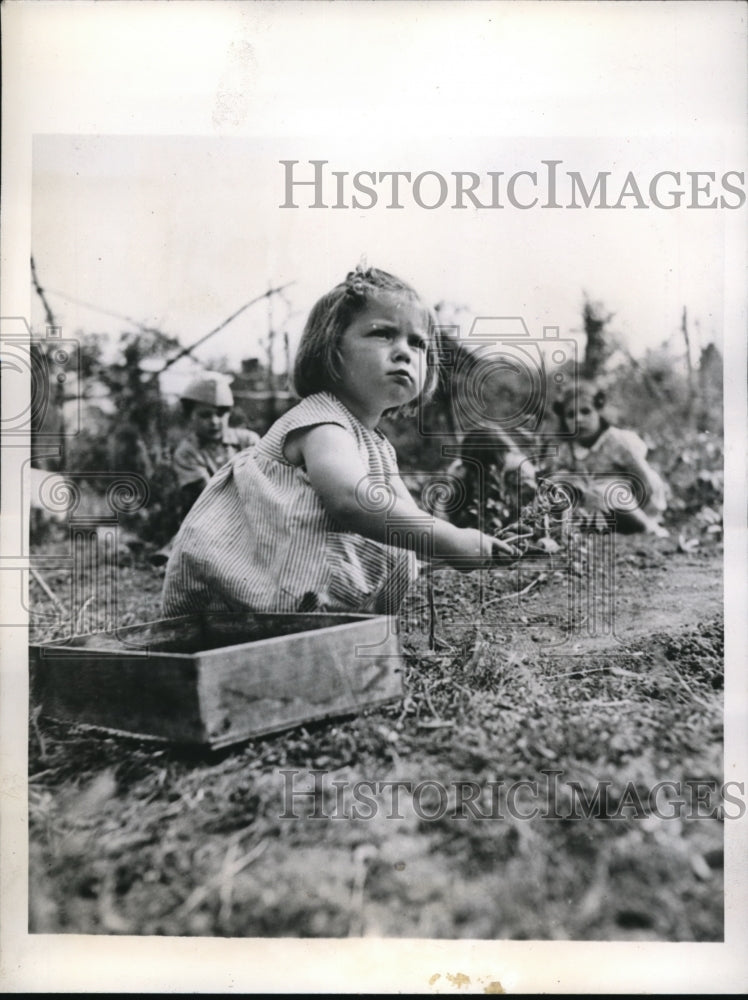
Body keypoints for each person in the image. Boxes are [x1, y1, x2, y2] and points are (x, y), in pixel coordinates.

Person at [161, 266, 521, 617]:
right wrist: (453, 542)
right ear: (332, 348)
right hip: (241, 598)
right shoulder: (323, 422)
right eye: (382, 333)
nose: (404, 352)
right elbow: (350, 501)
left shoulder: (377, 446)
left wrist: (466, 542)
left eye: (418, 343)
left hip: (295, 603)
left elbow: (408, 519)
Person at [549, 381, 669, 536]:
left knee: (607, 492)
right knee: (560, 483)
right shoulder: (568, 448)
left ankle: (647, 526)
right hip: (591, 504)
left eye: (586, 411)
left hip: (626, 499)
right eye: (571, 415)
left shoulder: (616, 441)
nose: (578, 419)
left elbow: (644, 480)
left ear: (599, 411)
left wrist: (641, 510)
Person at [173, 374, 260, 518]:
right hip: (210, 521)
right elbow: (211, 497)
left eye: (221, 414)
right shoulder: (187, 452)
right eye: (205, 415)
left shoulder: (248, 440)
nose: (214, 421)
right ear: (190, 416)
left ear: (229, 413)